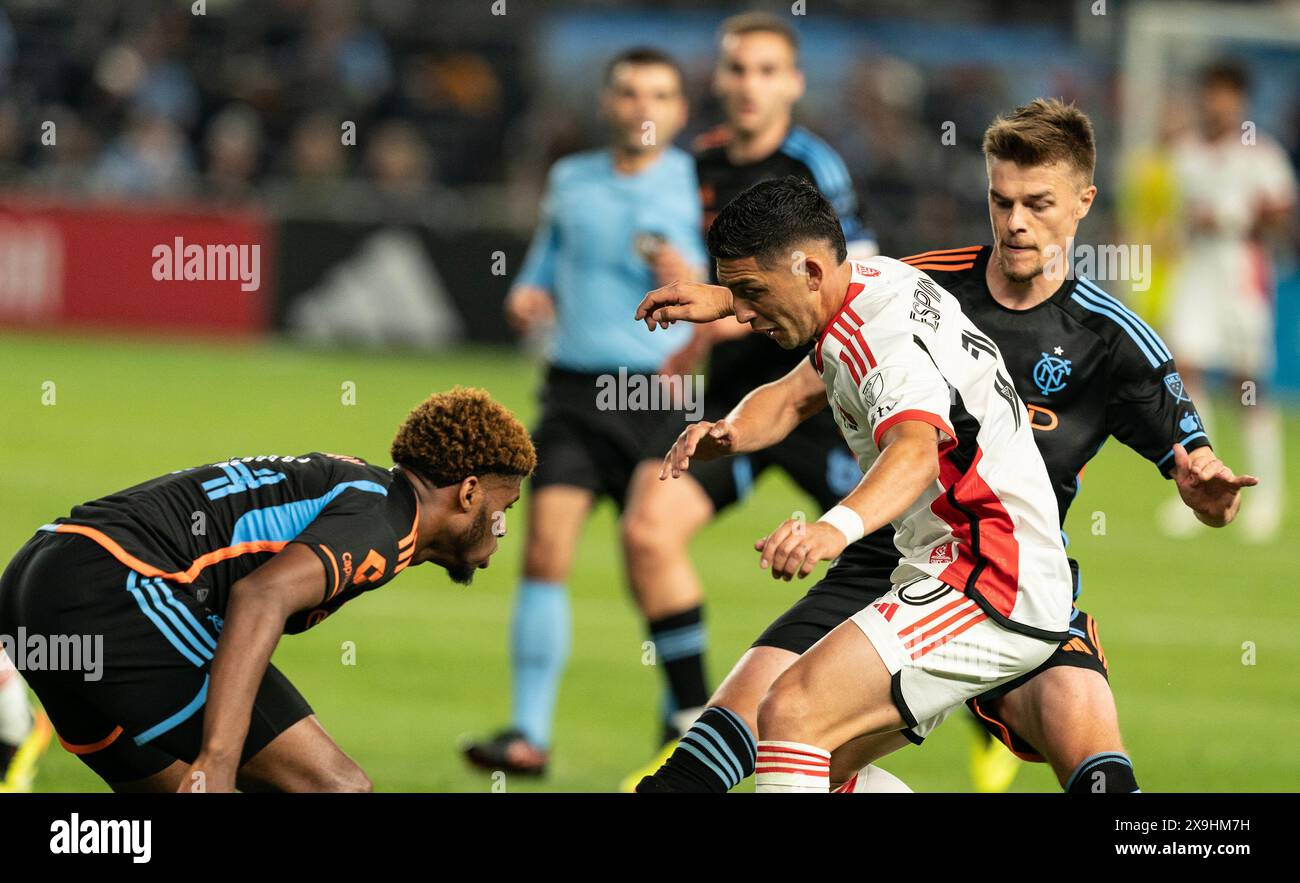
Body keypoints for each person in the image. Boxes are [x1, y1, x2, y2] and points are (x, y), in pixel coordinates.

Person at [636, 100, 1256, 795]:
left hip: (997, 565)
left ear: (1083, 202)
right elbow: (816, 292)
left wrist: (1204, 483)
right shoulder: (914, 278)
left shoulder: (1110, 340)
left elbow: (914, 450)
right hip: (901, 553)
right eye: (1001, 200)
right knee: (776, 742)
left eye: (1038, 203)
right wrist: (728, 306)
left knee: (806, 714)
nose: (1016, 221)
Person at [634, 176, 1075, 792]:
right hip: (945, 563)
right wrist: (727, 433)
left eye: (752, 293)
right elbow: (790, 399)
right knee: (825, 763)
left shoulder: (884, 340)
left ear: (810, 271)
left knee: (790, 712)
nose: (743, 313)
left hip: (990, 576)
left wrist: (829, 530)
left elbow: (916, 452)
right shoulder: (866, 287)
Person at [0, 388, 535, 792]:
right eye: (504, 509)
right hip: (112, 583)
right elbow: (260, 596)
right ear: (468, 493)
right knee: (336, 787)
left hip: (37, 580)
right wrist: (219, 757)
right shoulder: (384, 522)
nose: (503, 529)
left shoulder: (366, 493)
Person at [618, 10, 875, 785]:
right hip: (734, 409)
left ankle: (984, 709)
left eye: (767, 70)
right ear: (718, 78)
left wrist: (724, 311)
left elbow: (855, 276)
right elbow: (690, 268)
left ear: (794, 83)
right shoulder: (692, 162)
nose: (750, 85)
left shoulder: (815, 169)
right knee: (647, 530)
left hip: (821, 405)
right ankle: (689, 724)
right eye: (737, 69)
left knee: (908, 562)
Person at [462, 47, 707, 776]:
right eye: (629, 91)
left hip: (656, 394)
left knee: (649, 545)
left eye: (660, 94)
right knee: (542, 552)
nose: (643, 106)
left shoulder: (696, 185)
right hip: (573, 391)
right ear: (607, 102)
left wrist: (686, 280)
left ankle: (685, 709)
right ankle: (529, 735)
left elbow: (719, 288)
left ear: (681, 111)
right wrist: (528, 294)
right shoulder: (571, 181)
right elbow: (544, 261)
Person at [1161, 61, 1295, 542]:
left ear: (1240, 101)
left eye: (1226, 95)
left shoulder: (1262, 155)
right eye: (1210, 93)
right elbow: (1176, 214)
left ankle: (1269, 495)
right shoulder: (1186, 152)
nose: (1216, 103)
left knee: (1248, 384)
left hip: (1242, 269)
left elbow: (1283, 216)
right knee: (1186, 374)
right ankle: (1201, 485)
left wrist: (1243, 219)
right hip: (1198, 268)